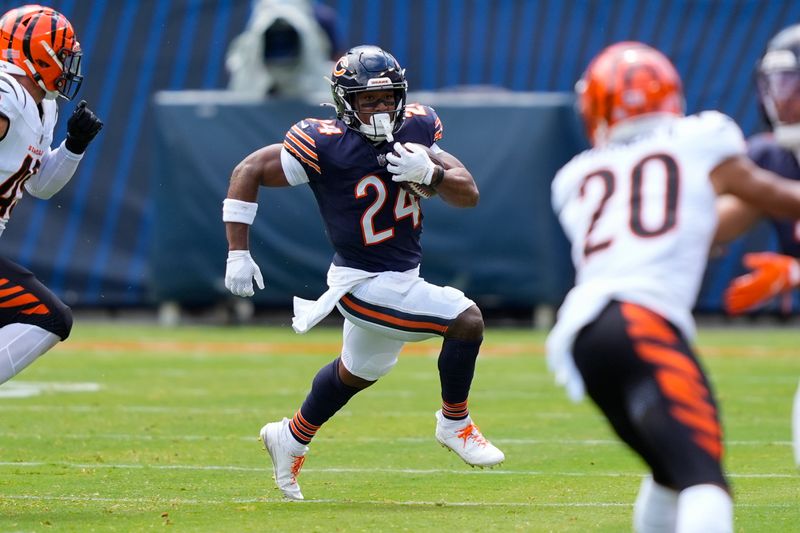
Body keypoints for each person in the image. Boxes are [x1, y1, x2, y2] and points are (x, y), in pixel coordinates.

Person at [222, 44, 503, 500]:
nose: (379, 108)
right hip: (361, 284)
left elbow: (468, 193)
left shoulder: (415, 128)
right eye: (367, 100)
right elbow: (249, 168)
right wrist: (238, 251)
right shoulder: (324, 143)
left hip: (402, 278)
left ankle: (290, 436)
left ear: (401, 96)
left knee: (357, 372)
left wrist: (428, 172)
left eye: (386, 98)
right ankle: (455, 423)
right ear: (344, 102)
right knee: (465, 319)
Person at [545, 41, 800, 532]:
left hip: (581, 335)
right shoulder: (702, 137)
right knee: (706, 483)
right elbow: (769, 195)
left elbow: (684, 226)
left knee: (670, 471)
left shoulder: (574, 176)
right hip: (643, 320)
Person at [0, 5, 102, 387]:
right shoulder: (6, 92)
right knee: (47, 316)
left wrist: (74, 146)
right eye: (62, 56)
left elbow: (40, 186)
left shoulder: (42, 106)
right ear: (37, 52)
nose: (68, 66)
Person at [716, 23, 800, 467]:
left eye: (793, 83)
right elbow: (716, 225)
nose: (782, 98)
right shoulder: (773, 156)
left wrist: (793, 273)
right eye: (775, 84)